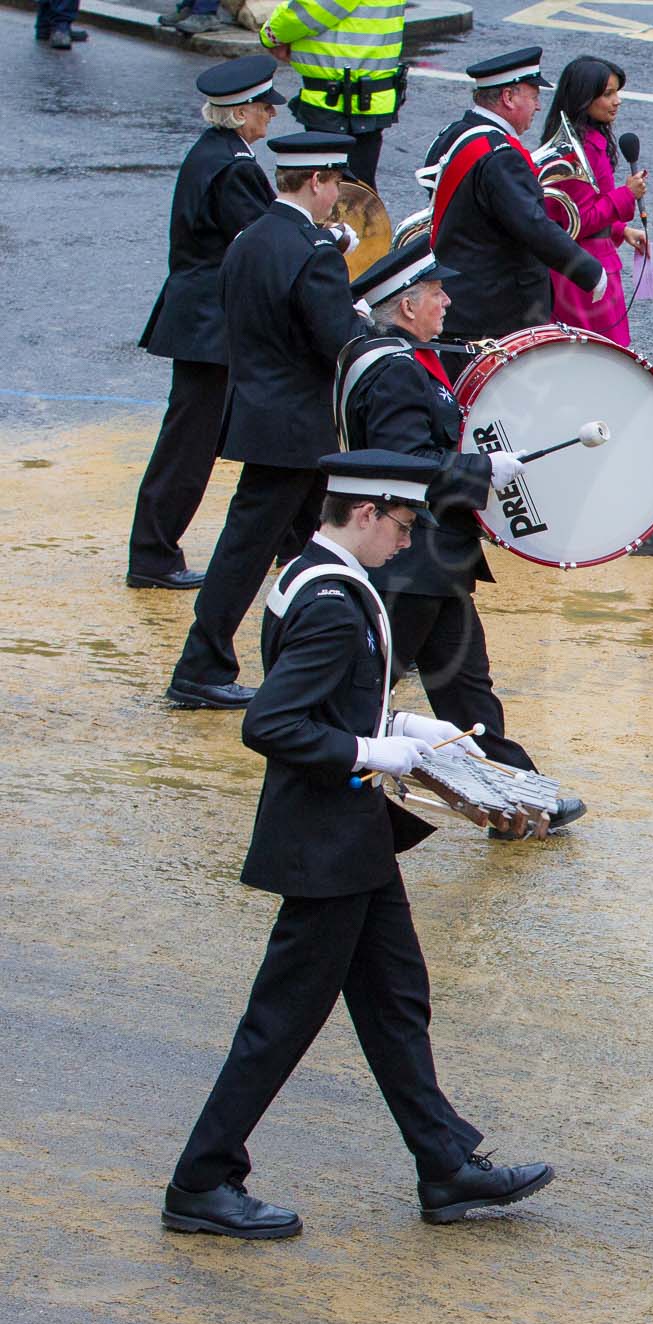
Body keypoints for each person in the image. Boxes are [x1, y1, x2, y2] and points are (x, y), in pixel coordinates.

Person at [162, 450, 556, 1239]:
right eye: (403, 526)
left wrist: (410, 727)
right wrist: (374, 752)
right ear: (367, 513)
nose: (408, 543)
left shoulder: (314, 574)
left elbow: (335, 697)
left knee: (395, 999)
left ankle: (444, 1163)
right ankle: (202, 1179)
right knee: (280, 1023)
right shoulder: (337, 602)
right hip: (326, 847)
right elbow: (270, 722)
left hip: (350, 841)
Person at [334, 239, 589, 834]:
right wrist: (481, 470)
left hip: (429, 563)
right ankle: (333, 788)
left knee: (467, 693)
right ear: (406, 306)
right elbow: (401, 465)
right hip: (408, 560)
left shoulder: (394, 356)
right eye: (437, 293)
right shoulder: (395, 373)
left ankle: (517, 799)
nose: (448, 300)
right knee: (362, 692)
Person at [166, 132, 367, 711]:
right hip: (301, 429)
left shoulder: (251, 238)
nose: (338, 199)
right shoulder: (313, 251)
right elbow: (337, 341)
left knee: (319, 546)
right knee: (251, 551)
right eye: (336, 186)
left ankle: (334, 656)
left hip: (263, 414)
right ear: (317, 182)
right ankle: (202, 666)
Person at [130, 57, 282, 593]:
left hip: (201, 320)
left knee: (199, 439)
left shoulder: (214, 152)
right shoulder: (235, 166)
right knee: (190, 447)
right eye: (265, 107)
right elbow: (265, 241)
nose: (270, 115)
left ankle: (286, 537)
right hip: (208, 325)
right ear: (241, 114)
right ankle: (152, 555)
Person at [421, 49, 603, 374]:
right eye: (533, 96)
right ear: (508, 96)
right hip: (493, 311)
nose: (537, 105)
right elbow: (532, 224)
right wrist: (588, 270)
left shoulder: (453, 133)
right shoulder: (501, 155)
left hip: (461, 297)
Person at [538, 55, 647, 347]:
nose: (617, 101)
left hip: (586, 262)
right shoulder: (578, 150)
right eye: (608, 94)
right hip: (584, 274)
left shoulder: (588, 140)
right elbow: (579, 220)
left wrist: (620, 230)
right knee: (602, 355)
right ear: (585, 99)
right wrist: (626, 195)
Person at [258, 0, 407, 190]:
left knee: (334, 193)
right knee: (357, 192)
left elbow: (310, 9)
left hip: (339, 102)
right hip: (364, 96)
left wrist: (270, 35)